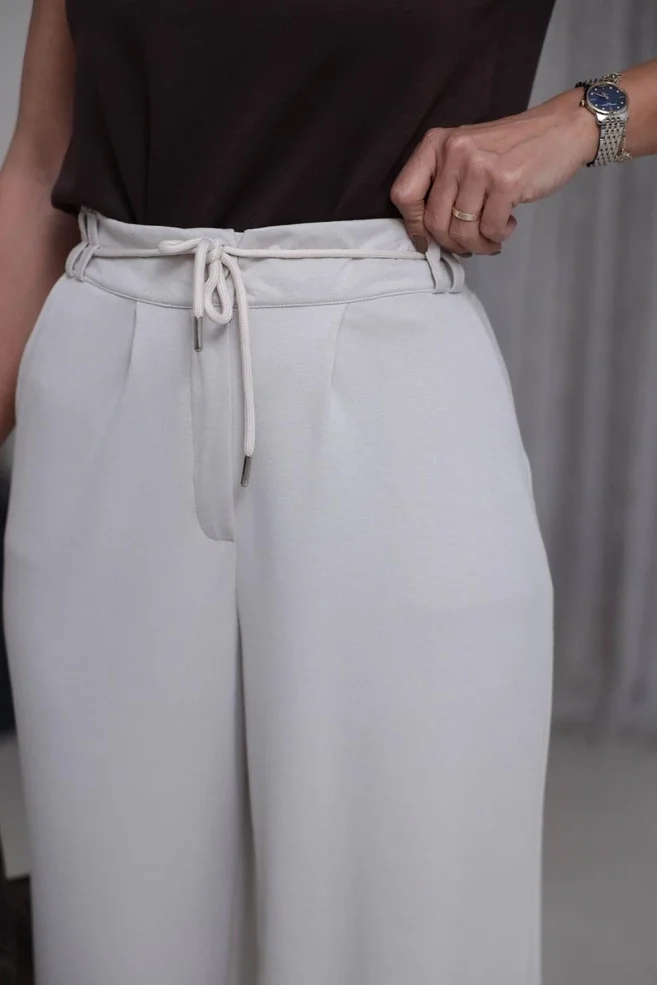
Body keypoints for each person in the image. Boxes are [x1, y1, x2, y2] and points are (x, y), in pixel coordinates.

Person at [1, 1, 656, 982]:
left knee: (408, 934)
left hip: (385, 392)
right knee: (112, 936)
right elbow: (39, 169)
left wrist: (583, 118)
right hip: (103, 378)